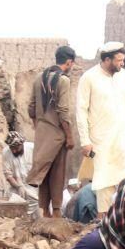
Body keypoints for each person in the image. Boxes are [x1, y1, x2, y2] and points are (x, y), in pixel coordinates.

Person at [76, 42, 125, 218]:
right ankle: (103, 220)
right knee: (104, 179)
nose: (122, 64)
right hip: (101, 139)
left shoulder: (123, 77)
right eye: (118, 60)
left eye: (123, 60)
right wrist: (85, 141)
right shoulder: (88, 78)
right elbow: (81, 111)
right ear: (106, 60)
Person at [28, 45, 77, 217]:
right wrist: (69, 136)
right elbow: (63, 111)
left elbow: (31, 108)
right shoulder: (63, 80)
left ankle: (44, 211)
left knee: (44, 172)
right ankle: (56, 211)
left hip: (42, 132)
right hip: (57, 133)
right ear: (69, 62)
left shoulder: (39, 78)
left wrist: (39, 125)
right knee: (57, 172)